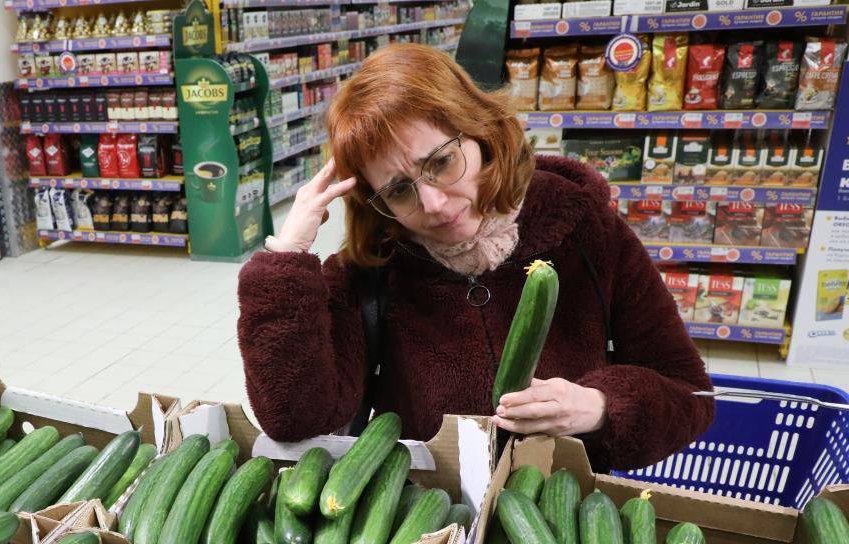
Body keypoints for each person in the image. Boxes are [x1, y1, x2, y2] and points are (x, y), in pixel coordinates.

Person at [237, 44, 714, 471]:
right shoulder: (370, 272)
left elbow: (689, 394)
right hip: (426, 526)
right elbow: (291, 418)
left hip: (559, 514)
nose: (435, 205)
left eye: (441, 162)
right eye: (399, 190)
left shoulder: (586, 231)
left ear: (481, 131)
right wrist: (286, 259)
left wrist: (601, 406)